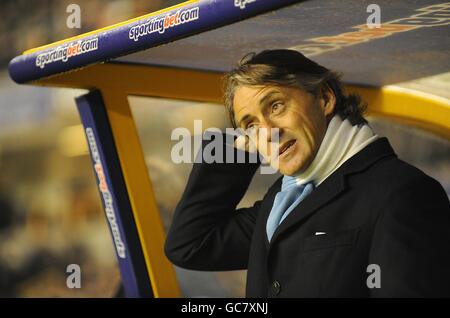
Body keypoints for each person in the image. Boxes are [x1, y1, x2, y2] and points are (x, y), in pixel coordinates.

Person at [164, 49, 450, 297]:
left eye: (276, 105)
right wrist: (233, 148)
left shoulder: (403, 192)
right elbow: (190, 244)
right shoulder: (283, 197)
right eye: (250, 124)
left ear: (325, 98)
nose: (268, 133)